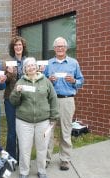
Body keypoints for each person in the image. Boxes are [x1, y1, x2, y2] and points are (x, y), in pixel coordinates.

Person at [9, 57, 59, 178]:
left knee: (42, 147)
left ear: (36, 67)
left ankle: (41, 171)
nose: (31, 67)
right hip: (24, 121)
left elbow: (53, 99)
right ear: (24, 69)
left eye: (33, 65)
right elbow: (13, 101)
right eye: (28, 66)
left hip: (43, 121)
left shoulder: (45, 81)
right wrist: (16, 92)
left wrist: (53, 117)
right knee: (25, 147)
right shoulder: (20, 82)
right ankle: (24, 172)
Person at [44, 36, 84, 171]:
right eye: (57, 46)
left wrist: (74, 81)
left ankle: (65, 159)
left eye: (62, 46)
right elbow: (42, 82)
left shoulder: (74, 63)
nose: (60, 48)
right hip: (51, 101)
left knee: (66, 130)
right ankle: (46, 159)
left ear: (66, 48)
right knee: (48, 130)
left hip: (67, 100)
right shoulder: (48, 64)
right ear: (54, 49)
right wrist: (48, 79)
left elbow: (81, 80)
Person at [3, 36, 28, 160]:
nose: (18, 47)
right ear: (13, 48)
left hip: (25, 100)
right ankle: (11, 158)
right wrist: (9, 74)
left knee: (24, 130)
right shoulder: (7, 62)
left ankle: (23, 157)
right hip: (10, 100)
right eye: (16, 45)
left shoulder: (28, 62)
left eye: (20, 45)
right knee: (12, 131)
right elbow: (3, 83)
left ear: (23, 47)